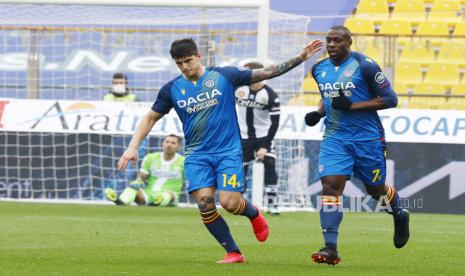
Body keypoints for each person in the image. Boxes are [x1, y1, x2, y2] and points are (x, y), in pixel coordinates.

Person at [117, 37, 323, 264]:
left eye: (188, 61)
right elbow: (150, 117)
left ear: (198, 57)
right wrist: (132, 147)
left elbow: (266, 73)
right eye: (179, 63)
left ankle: (254, 214)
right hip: (197, 155)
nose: (185, 67)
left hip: (227, 151)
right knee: (205, 205)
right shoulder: (172, 89)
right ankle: (234, 252)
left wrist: (300, 58)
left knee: (230, 203)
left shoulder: (224, 75)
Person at [304, 26, 410, 265]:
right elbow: (329, 97)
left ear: (349, 42)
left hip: (367, 139)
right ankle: (330, 248)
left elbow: (391, 99)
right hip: (335, 138)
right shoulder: (318, 69)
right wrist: (318, 113)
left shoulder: (366, 65)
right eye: (328, 40)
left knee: (375, 191)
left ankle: (399, 213)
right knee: (330, 187)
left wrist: (351, 106)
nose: (331, 44)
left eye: (337, 40)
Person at [235, 61, 281, 215]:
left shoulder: (271, 95)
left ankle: (272, 204)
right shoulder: (238, 89)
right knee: (241, 169)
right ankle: (239, 203)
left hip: (263, 136)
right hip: (243, 137)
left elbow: (275, 124)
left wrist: (265, 146)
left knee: (270, 162)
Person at [105, 134, 184, 207]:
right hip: (149, 193)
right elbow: (142, 176)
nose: (169, 145)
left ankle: (158, 203)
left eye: (173, 143)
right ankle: (121, 201)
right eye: (167, 142)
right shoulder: (150, 158)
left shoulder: (184, 162)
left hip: (170, 193)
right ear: (163, 143)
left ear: (179, 147)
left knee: (167, 195)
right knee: (132, 189)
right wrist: (138, 181)